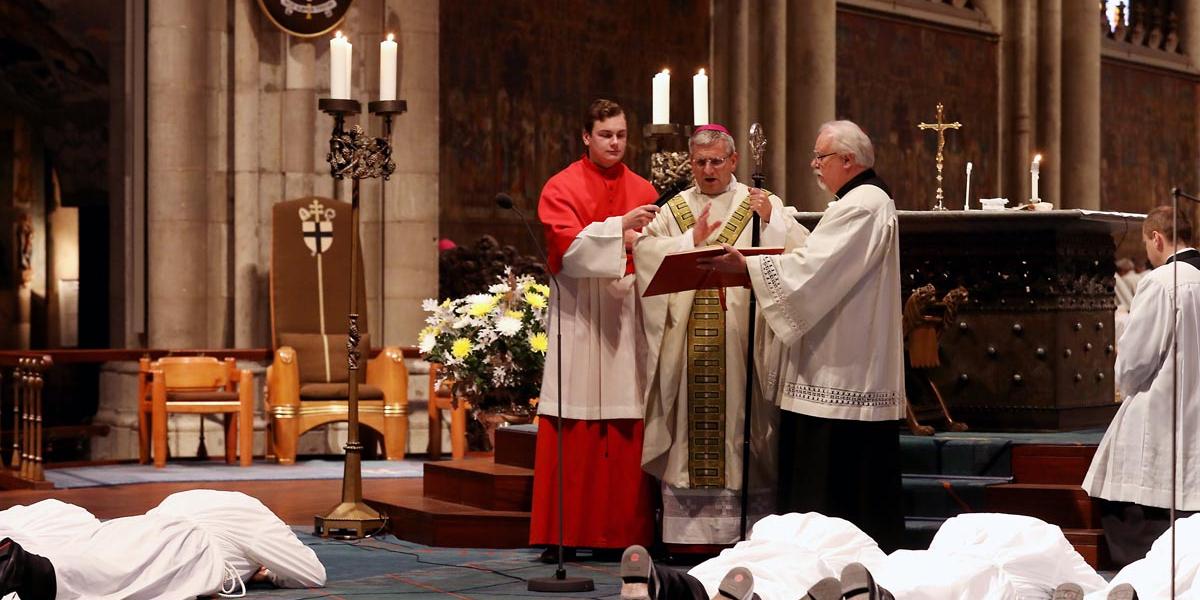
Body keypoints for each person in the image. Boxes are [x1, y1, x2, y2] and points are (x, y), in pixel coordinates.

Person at [698, 120, 905, 551]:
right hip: (840, 363)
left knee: (830, 483)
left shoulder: (862, 204)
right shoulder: (862, 201)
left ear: (848, 160)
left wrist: (748, 268)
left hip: (839, 372)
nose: (815, 165)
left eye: (821, 156)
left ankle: (825, 558)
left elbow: (814, 270)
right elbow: (817, 256)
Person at [634, 124, 808, 545]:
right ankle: (688, 536)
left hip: (741, 334)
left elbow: (800, 250)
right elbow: (644, 253)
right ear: (690, 164)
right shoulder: (673, 210)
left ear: (733, 161)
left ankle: (743, 531)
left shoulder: (758, 202)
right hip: (687, 337)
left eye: (717, 161)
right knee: (689, 425)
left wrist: (772, 222)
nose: (708, 169)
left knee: (744, 421)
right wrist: (684, 243)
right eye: (700, 162)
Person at [530, 98, 660, 560]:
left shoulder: (644, 188)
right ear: (586, 136)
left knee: (625, 418)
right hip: (580, 318)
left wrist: (637, 240)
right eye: (606, 135)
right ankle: (563, 533)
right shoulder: (561, 186)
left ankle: (623, 532)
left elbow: (657, 250)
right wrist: (618, 230)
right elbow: (565, 249)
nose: (615, 143)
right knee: (574, 416)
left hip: (625, 315)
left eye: (622, 135)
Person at [1082, 204, 1200, 567]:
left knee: (1134, 517)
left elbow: (1134, 364)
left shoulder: (1164, 282)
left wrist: (1123, 377)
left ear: (1157, 238)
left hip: (1161, 413)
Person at [0, 491, 325, 599]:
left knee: (95, 564)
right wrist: (268, 573)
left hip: (135, 527)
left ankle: (20, 567)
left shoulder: (191, 497)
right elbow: (310, 573)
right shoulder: (255, 514)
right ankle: (17, 568)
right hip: (188, 548)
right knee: (108, 576)